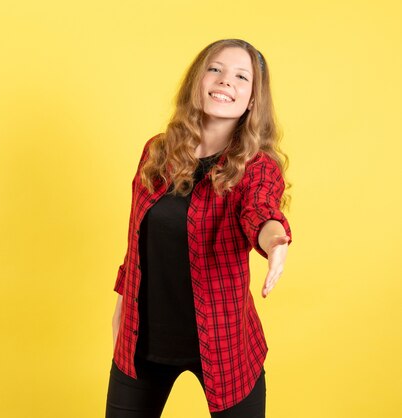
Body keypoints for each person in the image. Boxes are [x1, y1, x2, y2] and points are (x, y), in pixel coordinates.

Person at [105, 39, 294, 418]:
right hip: (142, 342)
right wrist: (122, 311)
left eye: (242, 77)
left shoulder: (256, 166)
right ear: (198, 81)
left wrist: (276, 241)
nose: (226, 81)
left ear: (253, 99)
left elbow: (260, 211)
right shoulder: (157, 152)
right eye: (215, 69)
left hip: (225, 346)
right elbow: (136, 244)